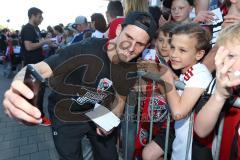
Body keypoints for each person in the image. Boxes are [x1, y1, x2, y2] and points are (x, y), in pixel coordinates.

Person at [2, 11, 157, 160]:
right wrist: (19, 84)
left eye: (139, 44)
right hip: (65, 112)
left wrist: (111, 121)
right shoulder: (86, 48)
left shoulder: (131, 66)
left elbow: (120, 100)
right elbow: (41, 68)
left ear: (147, 46)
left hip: (97, 111)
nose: (131, 48)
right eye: (129, 37)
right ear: (118, 30)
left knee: (109, 156)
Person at [154, 23, 212, 160]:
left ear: (199, 54)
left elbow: (178, 113)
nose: (173, 54)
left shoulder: (200, 74)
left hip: (193, 150)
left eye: (182, 50)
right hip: (180, 143)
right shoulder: (186, 71)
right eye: (173, 47)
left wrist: (167, 78)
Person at [194, 22, 240, 160]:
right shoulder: (223, 85)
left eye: (231, 56)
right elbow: (200, 131)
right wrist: (220, 95)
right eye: (220, 54)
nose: (222, 62)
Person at [141, 22, 177, 160]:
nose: (163, 45)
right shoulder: (151, 58)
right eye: (160, 40)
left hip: (171, 120)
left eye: (169, 42)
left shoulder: (178, 62)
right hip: (152, 115)